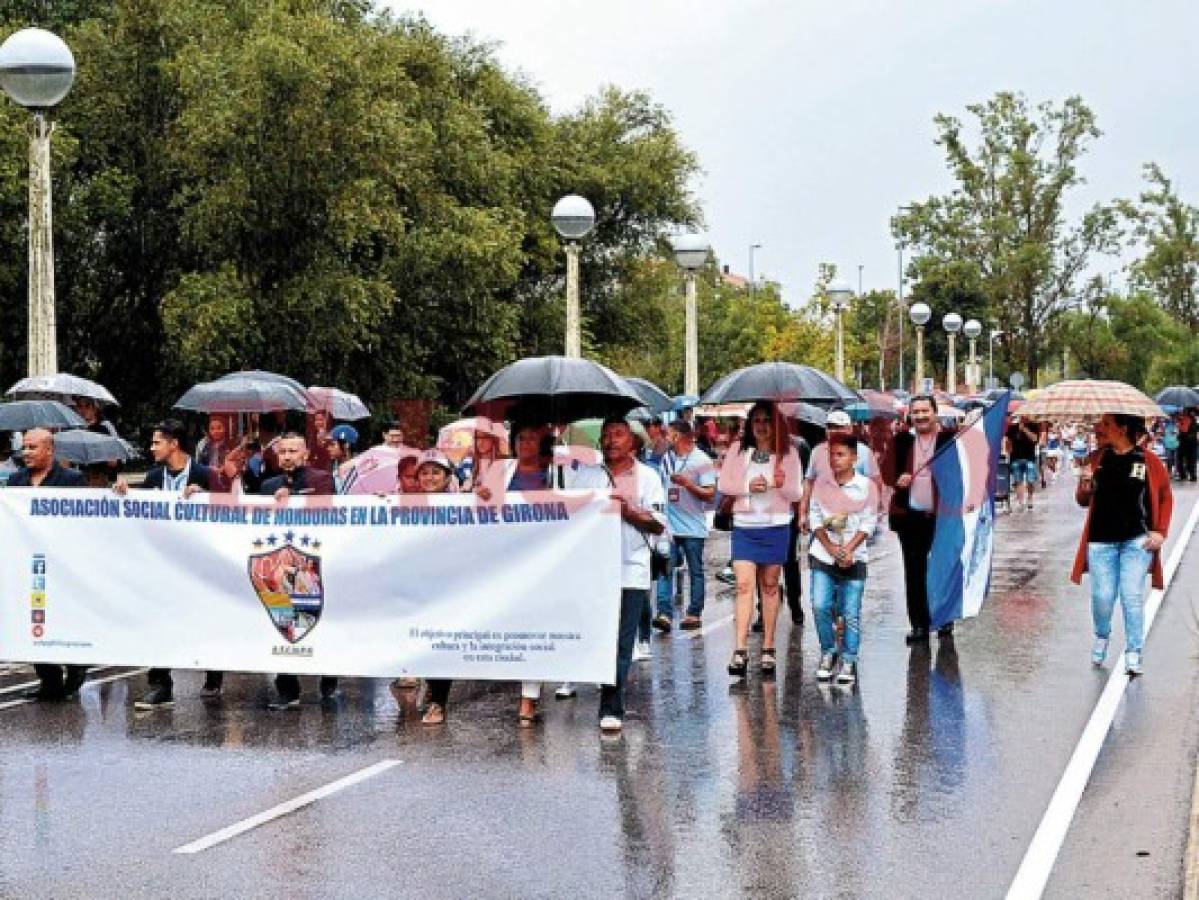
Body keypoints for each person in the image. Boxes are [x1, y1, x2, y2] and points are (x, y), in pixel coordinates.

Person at [115, 419, 223, 708]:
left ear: (174, 444)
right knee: (158, 619)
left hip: (199, 565)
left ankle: (214, 674)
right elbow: (140, 513)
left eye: (156, 442)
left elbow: (228, 513)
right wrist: (125, 494)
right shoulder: (152, 478)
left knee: (203, 619)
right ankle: (160, 683)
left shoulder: (205, 474)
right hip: (163, 565)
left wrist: (205, 498)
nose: (151, 448)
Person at [570, 418, 667, 732]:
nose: (611, 440)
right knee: (597, 635)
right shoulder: (586, 476)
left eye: (618, 435)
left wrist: (628, 511)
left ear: (633, 442)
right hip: (594, 569)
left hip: (631, 569)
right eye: (606, 435)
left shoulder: (648, 477)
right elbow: (568, 515)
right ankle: (591, 680)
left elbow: (658, 524)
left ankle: (611, 706)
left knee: (622, 642)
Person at [1072, 413, 1172, 675]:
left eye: (1105, 425)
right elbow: (1083, 500)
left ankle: (1133, 651)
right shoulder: (1097, 459)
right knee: (1102, 597)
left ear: (1123, 429)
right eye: (1098, 425)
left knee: (1131, 596)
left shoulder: (1147, 461)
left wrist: (1160, 532)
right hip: (1100, 541)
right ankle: (1102, 635)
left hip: (1136, 541)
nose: (1098, 429)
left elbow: (1164, 496)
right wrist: (1084, 481)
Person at [717, 401, 803, 677]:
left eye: (767, 420)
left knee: (769, 586)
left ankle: (768, 648)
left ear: (775, 424)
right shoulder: (738, 450)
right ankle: (739, 650)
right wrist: (745, 487)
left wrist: (782, 483)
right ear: (750, 425)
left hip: (776, 527)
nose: (761, 426)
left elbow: (797, 493)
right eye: (756, 420)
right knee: (743, 586)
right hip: (745, 526)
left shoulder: (788, 454)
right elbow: (724, 485)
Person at [8, 429, 90, 701]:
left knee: (63, 617)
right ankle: (49, 680)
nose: (26, 452)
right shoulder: (16, 481)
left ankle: (76, 664)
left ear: (49, 450)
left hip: (62, 564)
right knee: (33, 620)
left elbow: (85, 519)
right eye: (25, 447)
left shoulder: (71, 480)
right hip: (29, 563)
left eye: (33, 447)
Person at [258, 433, 337, 710]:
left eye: (293, 451)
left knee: (318, 622)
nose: (288, 456)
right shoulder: (267, 485)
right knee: (285, 624)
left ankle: (329, 679)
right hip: (280, 564)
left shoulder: (321, 480)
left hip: (312, 562)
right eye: (283, 452)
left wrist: (293, 498)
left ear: (306, 455)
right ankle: (287, 688)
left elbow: (331, 510)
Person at [881, 394, 956, 644]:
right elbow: (885, 471)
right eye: (916, 412)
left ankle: (945, 618)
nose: (921, 416)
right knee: (914, 573)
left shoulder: (949, 439)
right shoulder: (901, 440)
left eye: (925, 411)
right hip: (910, 518)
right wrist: (897, 479)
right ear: (909, 415)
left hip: (943, 518)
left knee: (943, 569)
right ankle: (919, 625)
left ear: (935, 413)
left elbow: (963, 473)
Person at [809, 434, 879, 685]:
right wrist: (831, 549)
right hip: (822, 556)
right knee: (820, 605)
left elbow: (869, 522)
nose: (835, 460)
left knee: (850, 612)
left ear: (854, 457)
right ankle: (828, 652)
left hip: (855, 557)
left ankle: (849, 658)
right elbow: (815, 519)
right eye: (832, 455)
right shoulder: (821, 485)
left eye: (841, 455)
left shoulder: (866, 487)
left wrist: (847, 549)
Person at [651, 421, 716, 633]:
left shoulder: (702, 460)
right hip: (669, 527)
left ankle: (694, 613)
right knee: (665, 569)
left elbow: (710, 493)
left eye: (669, 434)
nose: (666, 437)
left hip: (693, 527)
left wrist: (688, 484)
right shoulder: (667, 460)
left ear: (678, 436)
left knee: (695, 571)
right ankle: (664, 614)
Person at [415, 450, 463, 725]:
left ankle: (438, 702)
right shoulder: (409, 504)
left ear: (447, 477)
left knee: (441, 640)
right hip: (420, 581)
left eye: (436, 472)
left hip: (449, 583)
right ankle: (431, 687)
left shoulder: (461, 504)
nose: (430, 477)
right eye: (425, 472)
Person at [1005, 415, 1040, 511]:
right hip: (1015, 458)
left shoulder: (1034, 426)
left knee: (1030, 480)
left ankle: (1030, 497)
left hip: (1029, 458)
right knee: (1018, 481)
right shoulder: (1012, 428)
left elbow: (1035, 439)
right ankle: (1021, 502)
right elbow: (1008, 442)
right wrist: (1008, 453)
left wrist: (1024, 429)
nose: (1024, 417)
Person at [324, 424, 360, 494]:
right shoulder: (329, 468)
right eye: (328, 445)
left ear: (346, 445)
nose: (328, 448)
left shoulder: (362, 468)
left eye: (332, 444)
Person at [1176, 407, 1197, 482]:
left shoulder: (1187, 419)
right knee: (1189, 460)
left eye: (1183, 411)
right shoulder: (1192, 419)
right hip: (1189, 442)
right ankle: (1190, 475)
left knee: (1183, 459)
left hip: (1187, 442)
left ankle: (1185, 475)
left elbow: (1184, 429)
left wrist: (1179, 425)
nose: (1182, 412)